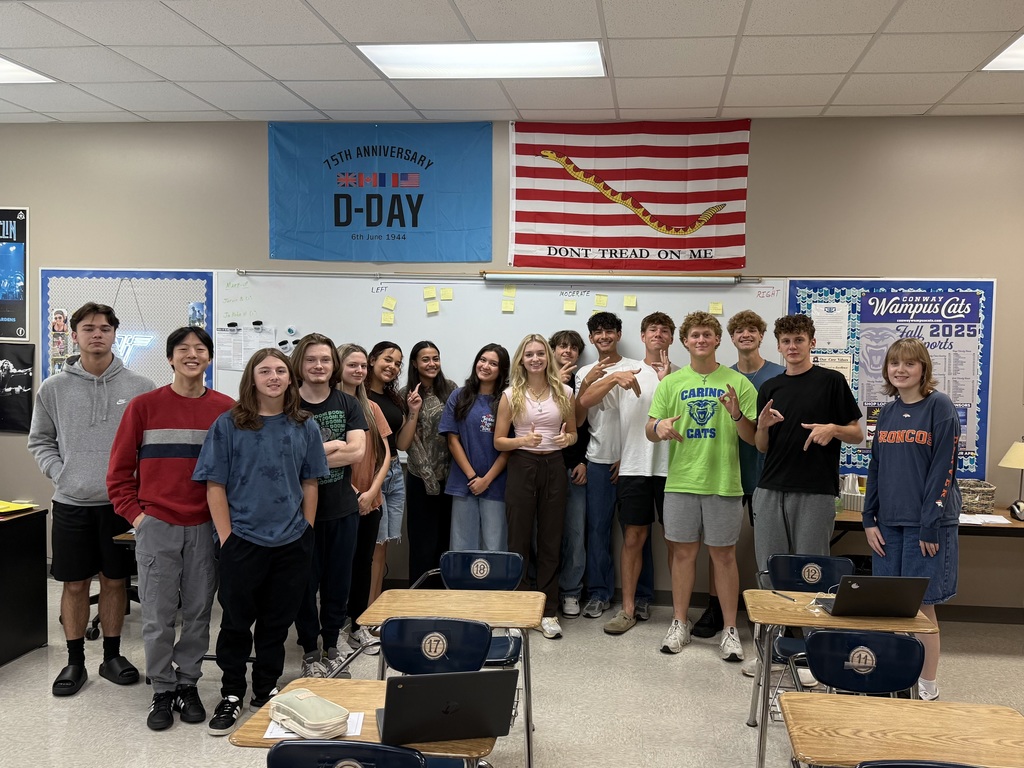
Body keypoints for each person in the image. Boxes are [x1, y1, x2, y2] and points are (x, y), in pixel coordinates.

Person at [193, 348, 329, 736]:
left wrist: (306, 530)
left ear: (290, 378)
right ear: (252, 378)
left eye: (280, 370)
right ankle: (232, 693)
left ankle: (265, 689)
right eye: (264, 370)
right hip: (243, 541)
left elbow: (310, 481)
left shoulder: (305, 425)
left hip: (292, 542)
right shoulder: (229, 425)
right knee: (236, 623)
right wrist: (227, 538)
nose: (273, 376)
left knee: (276, 623)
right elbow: (214, 484)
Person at [106, 326, 233, 730]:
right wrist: (139, 518)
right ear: (170, 357)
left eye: (200, 349)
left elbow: (235, 471)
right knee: (158, 615)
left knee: (197, 613)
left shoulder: (226, 410)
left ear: (209, 359)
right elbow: (118, 473)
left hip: (204, 526)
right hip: (157, 525)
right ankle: (161, 688)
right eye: (183, 349)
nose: (192, 355)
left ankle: (188, 683)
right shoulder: (144, 406)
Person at [27, 302, 155, 697]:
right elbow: (40, 441)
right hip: (71, 503)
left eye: (104, 328)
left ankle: (113, 656)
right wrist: (61, 473)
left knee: (115, 582)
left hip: (122, 506)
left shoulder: (140, 387)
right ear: (76, 335)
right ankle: (75, 660)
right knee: (75, 584)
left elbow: (150, 447)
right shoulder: (54, 387)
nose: (96, 334)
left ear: (116, 334)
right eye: (88, 328)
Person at [646, 311, 756, 662]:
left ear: (717, 339)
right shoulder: (671, 383)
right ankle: (679, 623)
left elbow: (753, 438)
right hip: (680, 482)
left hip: (724, 483)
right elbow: (650, 428)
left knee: (723, 557)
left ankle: (729, 629)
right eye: (694, 335)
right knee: (682, 554)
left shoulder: (738, 383)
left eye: (707, 334)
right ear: (685, 341)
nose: (701, 340)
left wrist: (737, 415)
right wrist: (659, 427)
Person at [864, 338, 961, 702]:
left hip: (927, 526)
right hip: (887, 524)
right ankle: (892, 678)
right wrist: (868, 518)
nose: (900, 370)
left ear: (923, 369)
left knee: (922, 608)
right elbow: (876, 466)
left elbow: (943, 470)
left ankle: (927, 687)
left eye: (909, 364)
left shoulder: (940, 407)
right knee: (888, 608)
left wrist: (929, 523)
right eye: (894, 364)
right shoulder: (886, 413)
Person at [578, 312, 675, 635]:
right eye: (652, 330)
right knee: (633, 537)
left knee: (677, 543)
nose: (658, 335)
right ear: (642, 335)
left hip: (673, 471)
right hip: (634, 466)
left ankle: (678, 616)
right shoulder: (627, 369)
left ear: (673, 338)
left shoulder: (684, 375)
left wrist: (666, 380)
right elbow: (584, 402)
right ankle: (628, 609)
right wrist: (609, 379)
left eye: (664, 331)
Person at [694, 310, 785, 640]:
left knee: (768, 547)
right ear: (729, 338)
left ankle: (772, 614)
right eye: (739, 331)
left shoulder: (779, 375)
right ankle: (715, 607)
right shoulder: (722, 377)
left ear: (762, 336)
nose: (746, 335)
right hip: (728, 473)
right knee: (717, 546)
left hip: (768, 474)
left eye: (752, 330)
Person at [753, 314, 864, 571]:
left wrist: (833, 429)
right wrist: (762, 427)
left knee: (812, 570)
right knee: (770, 568)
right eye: (786, 341)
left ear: (811, 342)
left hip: (815, 490)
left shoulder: (831, 381)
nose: (792, 346)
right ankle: (772, 613)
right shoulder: (770, 388)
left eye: (799, 340)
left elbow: (857, 434)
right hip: (771, 489)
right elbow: (761, 446)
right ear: (779, 346)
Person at [289, 334, 367, 679]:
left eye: (324, 359)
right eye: (310, 360)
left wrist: (313, 454)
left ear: (333, 365)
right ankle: (309, 650)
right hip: (297, 515)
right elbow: (285, 457)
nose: (318, 366)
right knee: (303, 584)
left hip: (341, 510)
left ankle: (332, 646)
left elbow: (358, 452)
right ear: (299, 365)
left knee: (339, 582)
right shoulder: (287, 403)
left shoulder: (347, 403)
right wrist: (334, 446)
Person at [495, 334, 578, 640]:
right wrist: (522, 441)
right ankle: (519, 611)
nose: (535, 359)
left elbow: (572, 435)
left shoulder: (564, 392)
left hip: (554, 466)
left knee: (550, 541)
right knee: (518, 540)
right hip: (522, 465)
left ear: (548, 358)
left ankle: (548, 611)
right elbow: (499, 440)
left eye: (540, 354)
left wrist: (565, 439)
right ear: (521, 360)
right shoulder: (511, 394)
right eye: (529, 354)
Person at [337, 343, 391, 656]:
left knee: (362, 565)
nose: (358, 371)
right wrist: (354, 492)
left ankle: (357, 627)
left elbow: (386, 453)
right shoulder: (330, 405)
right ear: (338, 368)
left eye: (362, 366)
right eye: (352, 365)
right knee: (338, 567)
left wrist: (371, 491)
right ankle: (335, 630)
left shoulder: (372, 408)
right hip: (341, 499)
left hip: (371, 500)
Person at [440, 343, 511, 550]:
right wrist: (473, 478)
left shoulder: (508, 399)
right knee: (462, 546)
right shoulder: (459, 396)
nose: (485, 366)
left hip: (496, 485)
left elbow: (509, 447)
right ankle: (461, 585)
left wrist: (486, 480)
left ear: (502, 370)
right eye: (482, 360)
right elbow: (452, 441)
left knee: (494, 546)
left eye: (493, 363)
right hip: (464, 483)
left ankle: (496, 585)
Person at [398, 340, 456, 587]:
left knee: (445, 541)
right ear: (415, 363)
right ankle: (419, 596)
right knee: (423, 542)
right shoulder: (404, 394)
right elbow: (406, 442)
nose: (432, 364)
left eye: (436, 358)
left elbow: (455, 432)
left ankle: (443, 595)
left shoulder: (451, 389)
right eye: (425, 359)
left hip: (450, 477)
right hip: (420, 478)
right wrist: (429, 476)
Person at [365, 341, 406, 633]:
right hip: (370, 473)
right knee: (372, 547)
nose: (392, 366)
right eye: (387, 360)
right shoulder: (356, 394)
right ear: (372, 359)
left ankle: (374, 609)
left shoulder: (394, 399)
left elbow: (401, 444)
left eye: (397, 363)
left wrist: (413, 412)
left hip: (394, 472)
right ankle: (365, 613)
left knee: (384, 545)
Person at [549, 329, 590, 618]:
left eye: (573, 348)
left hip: (575, 468)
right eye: (562, 347)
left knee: (575, 534)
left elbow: (589, 428)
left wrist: (585, 461)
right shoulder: (534, 379)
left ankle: (571, 592)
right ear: (552, 350)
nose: (568, 352)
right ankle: (545, 591)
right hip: (543, 468)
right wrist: (555, 388)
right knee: (544, 534)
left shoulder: (584, 382)